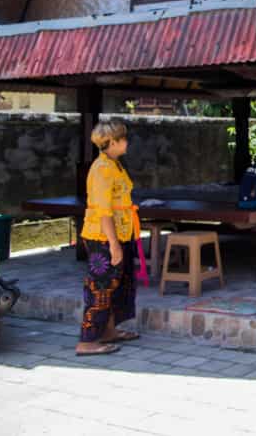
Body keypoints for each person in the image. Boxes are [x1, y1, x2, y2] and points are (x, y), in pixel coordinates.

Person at [75, 121, 139, 356]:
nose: (126, 142)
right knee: (100, 287)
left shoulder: (115, 165)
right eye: (123, 139)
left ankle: (109, 330)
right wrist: (113, 244)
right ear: (112, 142)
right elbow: (104, 211)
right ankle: (87, 340)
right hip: (102, 237)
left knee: (116, 285)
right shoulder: (102, 169)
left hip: (121, 233)